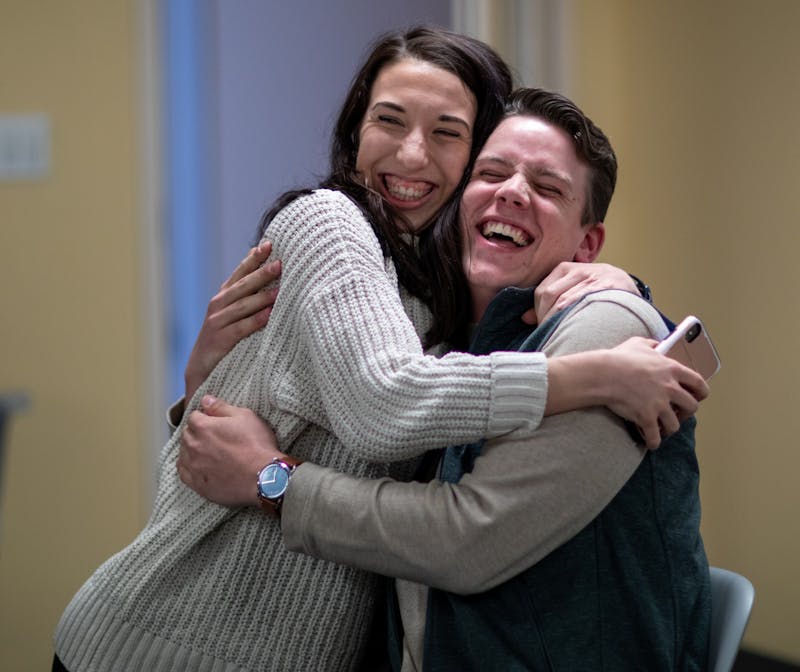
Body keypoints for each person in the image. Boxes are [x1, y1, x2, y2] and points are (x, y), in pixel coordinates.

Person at [53, 27, 705, 672]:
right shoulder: (331, 224)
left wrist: (621, 289)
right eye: (388, 122)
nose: (412, 154)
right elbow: (386, 404)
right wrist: (588, 375)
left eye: (447, 133)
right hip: (165, 643)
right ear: (354, 134)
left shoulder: (449, 296)